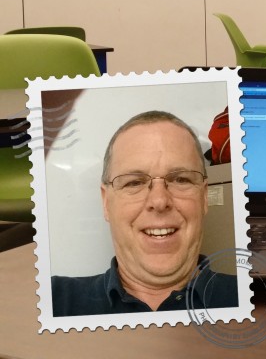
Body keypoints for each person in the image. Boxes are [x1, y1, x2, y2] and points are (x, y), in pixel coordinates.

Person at [51, 110, 237, 316]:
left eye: (180, 179)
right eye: (134, 182)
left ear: (203, 197)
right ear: (106, 202)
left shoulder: (256, 298)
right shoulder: (53, 300)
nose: (159, 201)